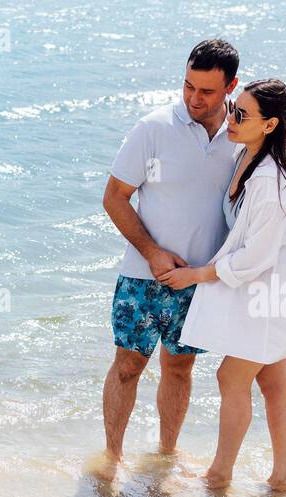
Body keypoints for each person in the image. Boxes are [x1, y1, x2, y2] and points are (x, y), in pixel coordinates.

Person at [164, 79, 286, 492]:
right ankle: (283, 478)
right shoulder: (254, 153)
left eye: (242, 115)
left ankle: (220, 475)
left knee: (231, 377)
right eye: (233, 107)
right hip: (267, 291)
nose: (232, 117)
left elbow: (254, 257)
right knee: (274, 381)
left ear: (270, 124)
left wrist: (195, 274)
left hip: (275, 294)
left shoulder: (274, 179)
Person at [99, 38, 241, 472]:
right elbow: (114, 197)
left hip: (200, 282)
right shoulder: (153, 128)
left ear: (231, 86)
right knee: (127, 366)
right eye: (188, 86)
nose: (194, 99)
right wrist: (152, 252)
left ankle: (164, 459)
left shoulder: (242, 134)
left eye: (207, 91)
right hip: (143, 276)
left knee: (180, 369)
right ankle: (111, 460)